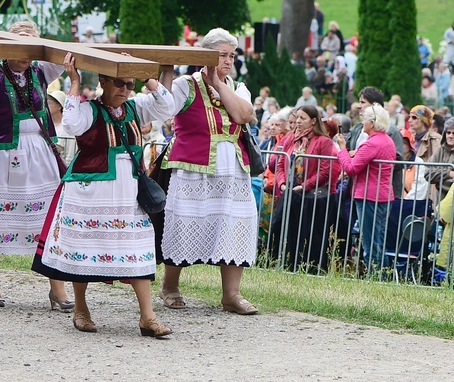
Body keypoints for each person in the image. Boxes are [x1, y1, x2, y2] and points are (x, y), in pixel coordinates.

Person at [33, 52, 175, 337]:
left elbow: (167, 107)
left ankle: (147, 317)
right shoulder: (89, 110)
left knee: (137, 250)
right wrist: (74, 81)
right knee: (84, 248)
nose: (125, 90)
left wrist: (146, 74)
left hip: (129, 193)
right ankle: (81, 308)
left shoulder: (136, 108)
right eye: (119, 83)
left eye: (130, 85)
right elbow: (71, 124)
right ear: (103, 82)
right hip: (91, 192)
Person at [0, 20, 73, 309]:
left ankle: (57, 287)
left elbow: (60, 58)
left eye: (30, 46)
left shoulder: (42, 71)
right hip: (3, 153)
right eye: (18, 45)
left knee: (49, 217)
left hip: (40, 151)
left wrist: (35, 40)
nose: (25, 52)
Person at [158, 28, 259, 315]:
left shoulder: (238, 87)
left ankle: (232, 294)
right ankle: (170, 286)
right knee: (183, 225)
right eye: (221, 55)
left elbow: (243, 115)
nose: (228, 61)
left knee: (233, 225)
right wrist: (166, 71)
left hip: (232, 170)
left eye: (231, 55)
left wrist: (217, 81)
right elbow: (164, 108)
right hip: (193, 167)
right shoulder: (184, 85)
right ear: (206, 56)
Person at [272, 105, 344, 272]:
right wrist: (282, 183)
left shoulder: (323, 142)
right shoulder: (290, 138)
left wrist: (303, 186)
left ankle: (309, 268)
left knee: (309, 236)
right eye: (297, 117)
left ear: (313, 121)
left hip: (313, 198)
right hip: (290, 194)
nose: (297, 121)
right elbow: (280, 163)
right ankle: (282, 264)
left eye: (302, 118)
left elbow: (325, 171)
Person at [336, 104, 396, 273]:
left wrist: (342, 149)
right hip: (383, 195)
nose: (362, 122)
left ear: (372, 122)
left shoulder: (372, 143)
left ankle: (375, 276)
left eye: (364, 119)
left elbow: (351, 169)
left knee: (370, 241)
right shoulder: (386, 140)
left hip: (369, 196)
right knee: (378, 240)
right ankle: (380, 275)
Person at [425, 117, 454, 199]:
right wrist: (449, 174)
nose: (450, 136)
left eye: (453, 133)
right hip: (440, 200)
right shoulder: (440, 150)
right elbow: (427, 173)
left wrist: (440, 181)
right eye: (448, 132)